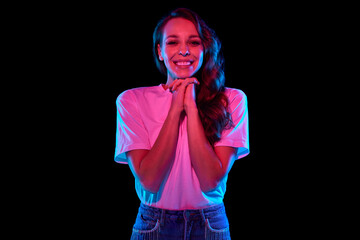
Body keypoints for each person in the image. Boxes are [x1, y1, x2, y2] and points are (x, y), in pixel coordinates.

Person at [114, 8, 249, 240]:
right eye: (173, 42)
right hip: (153, 224)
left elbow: (209, 181)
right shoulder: (131, 100)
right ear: (160, 51)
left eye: (194, 42)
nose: (184, 50)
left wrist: (191, 106)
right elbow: (149, 181)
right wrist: (176, 106)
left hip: (210, 224)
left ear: (204, 48)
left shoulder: (232, 99)